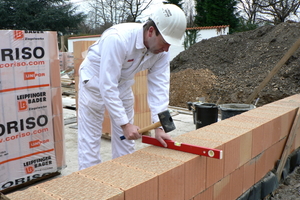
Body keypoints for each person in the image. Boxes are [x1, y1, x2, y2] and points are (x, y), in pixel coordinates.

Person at [77, 4, 187, 170]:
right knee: (90, 143)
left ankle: (124, 185)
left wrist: (161, 124)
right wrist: (124, 124)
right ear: (151, 31)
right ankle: (90, 187)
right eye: (165, 42)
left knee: (126, 143)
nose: (167, 49)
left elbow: (160, 86)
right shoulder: (118, 39)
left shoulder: (162, 51)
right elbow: (107, 85)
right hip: (94, 81)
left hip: (122, 85)